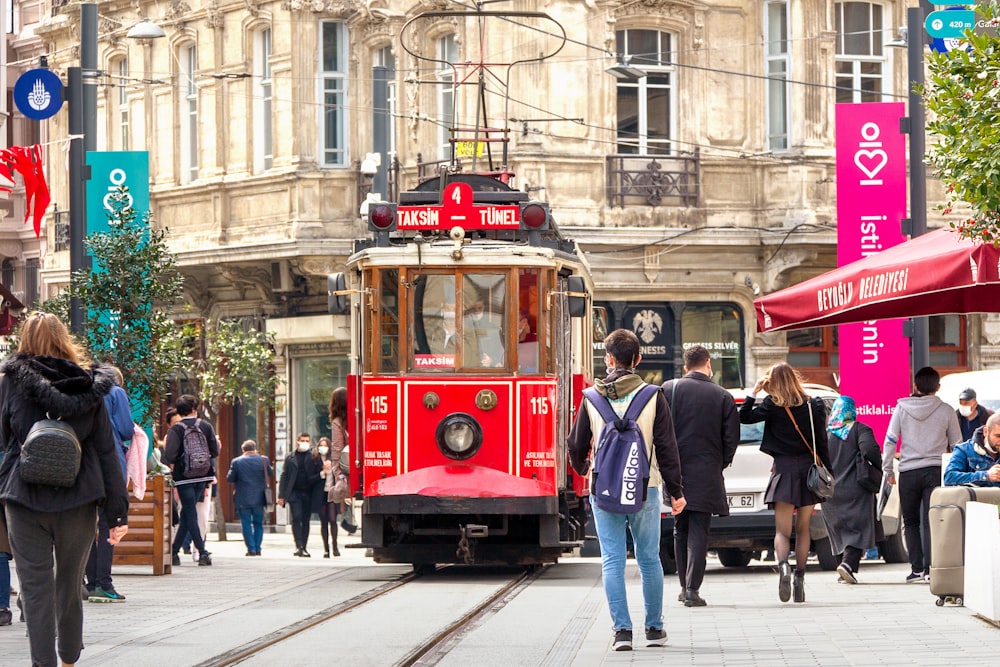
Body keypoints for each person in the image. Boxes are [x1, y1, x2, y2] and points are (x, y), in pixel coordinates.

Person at [0, 311, 129, 667]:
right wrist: (118, 511)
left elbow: (4, 442)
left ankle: (44, 663)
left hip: (23, 499)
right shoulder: (91, 386)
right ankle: (70, 657)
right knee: (70, 586)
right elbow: (106, 450)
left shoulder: (10, 383)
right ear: (65, 340)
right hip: (79, 499)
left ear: (24, 341)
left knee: (34, 589)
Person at [568, 328, 686, 652]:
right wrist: (676, 492)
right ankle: (654, 627)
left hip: (603, 489)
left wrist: (584, 471)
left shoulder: (591, 398)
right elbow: (667, 448)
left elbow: (576, 445)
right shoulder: (653, 395)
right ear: (638, 359)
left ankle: (622, 632)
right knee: (649, 559)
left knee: (612, 560)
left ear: (608, 359)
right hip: (645, 488)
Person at [739, 362, 830, 603]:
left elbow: (743, 417)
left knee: (782, 530)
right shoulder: (814, 405)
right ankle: (800, 578)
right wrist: (829, 471)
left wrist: (755, 391)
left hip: (782, 471)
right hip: (808, 473)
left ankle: (783, 568)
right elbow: (822, 441)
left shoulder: (772, 405)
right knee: (803, 529)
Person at [661, 345, 738, 607]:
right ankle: (693, 589)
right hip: (707, 472)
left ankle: (684, 586)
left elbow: (659, 433)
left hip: (675, 472)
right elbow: (731, 440)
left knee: (679, 529)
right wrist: (720, 463)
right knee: (699, 531)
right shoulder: (722, 396)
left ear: (685, 366)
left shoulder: (668, 390)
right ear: (708, 363)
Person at [883, 366, 962, 583]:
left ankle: (916, 568)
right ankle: (930, 569)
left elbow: (890, 440)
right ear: (937, 387)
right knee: (932, 520)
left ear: (915, 386)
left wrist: (888, 469)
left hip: (908, 471)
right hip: (935, 471)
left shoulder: (901, 408)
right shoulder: (946, 410)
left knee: (910, 522)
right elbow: (958, 444)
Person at [85, 366, 133, 603]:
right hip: (109, 464)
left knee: (83, 525)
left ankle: (90, 581)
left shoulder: (83, 392)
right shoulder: (116, 393)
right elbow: (125, 429)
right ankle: (103, 583)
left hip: (82, 466)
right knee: (108, 524)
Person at [821, 396, 881, 585]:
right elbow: (870, 450)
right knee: (858, 528)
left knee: (838, 529)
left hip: (829, 492)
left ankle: (843, 570)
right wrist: (876, 467)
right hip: (856, 488)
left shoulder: (826, 434)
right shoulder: (859, 429)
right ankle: (847, 565)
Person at [164, 394, 219, 567]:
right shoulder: (205, 426)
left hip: (183, 477)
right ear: (194, 409)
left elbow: (170, 455)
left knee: (189, 511)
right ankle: (175, 552)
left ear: (179, 411)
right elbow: (215, 451)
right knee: (189, 512)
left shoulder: (176, 429)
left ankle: (200, 552)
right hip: (203, 474)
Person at [277, 433, 323, 557]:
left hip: (308, 492)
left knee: (305, 520)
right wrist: (281, 495)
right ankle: (299, 545)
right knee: (296, 517)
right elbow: (284, 475)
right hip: (294, 492)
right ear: (297, 442)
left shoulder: (313, 456)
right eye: (302, 440)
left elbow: (319, 472)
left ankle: (304, 546)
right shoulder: (290, 457)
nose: (305, 442)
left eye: (307, 440)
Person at [227, 439, 273, 556]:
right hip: (260, 497)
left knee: (246, 524)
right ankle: (258, 548)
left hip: (243, 497)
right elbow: (270, 473)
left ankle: (251, 549)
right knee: (258, 523)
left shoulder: (236, 462)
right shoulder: (264, 460)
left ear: (243, 450)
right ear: (255, 449)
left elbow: (230, 478)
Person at [944, 412, 1000, 487]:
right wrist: (986, 476)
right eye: (998, 436)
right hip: (973, 498)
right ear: (985, 432)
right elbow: (949, 478)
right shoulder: (964, 450)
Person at [465, 297, 504, 367]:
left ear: (483, 307)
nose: (476, 311)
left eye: (479, 308)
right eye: (473, 308)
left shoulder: (493, 329)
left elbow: (499, 352)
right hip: (466, 366)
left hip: (485, 369)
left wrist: (492, 360)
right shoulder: (462, 326)